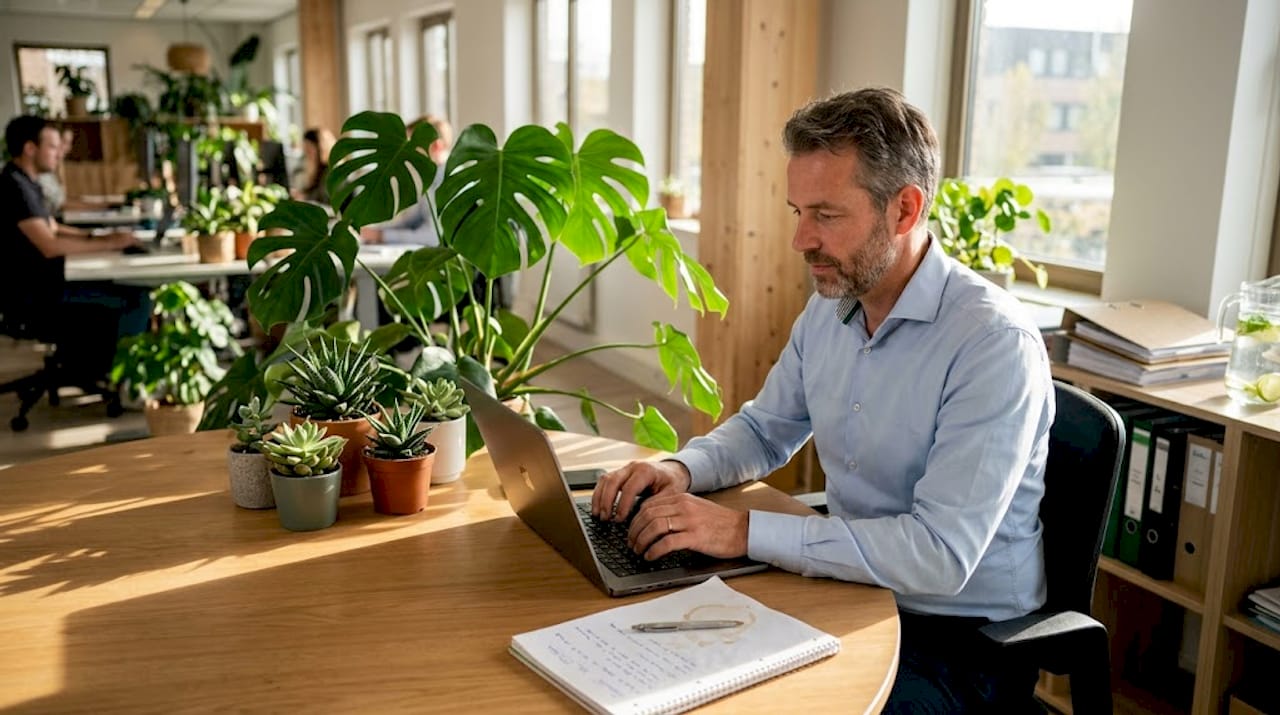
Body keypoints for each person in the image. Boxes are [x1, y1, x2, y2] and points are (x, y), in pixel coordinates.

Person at [590, 87, 1055, 713]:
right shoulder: (830, 308)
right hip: (849, 589)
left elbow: (939, 557)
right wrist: (679, 469)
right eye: (796, 211)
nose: (800, 240)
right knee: (657, 657)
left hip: (960, 638)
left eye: (826, 216)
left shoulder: (992, 344)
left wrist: (743, 531)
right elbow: (764, 430)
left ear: (905, 210)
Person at [2, 115, 149, 376]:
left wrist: (97, 237)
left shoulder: (25, 181)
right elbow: (50, 245)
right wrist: (111, 244)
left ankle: (95, 366)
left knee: (125, 287)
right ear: (30, 148)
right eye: (52, 147)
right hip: (35, 298)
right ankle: (125, 380)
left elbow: (52, 227)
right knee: (135, 298)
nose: (58, 154)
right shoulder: (15, 187)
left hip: (40, 285)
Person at [360, 114, 453, 246]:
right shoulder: (429, 177)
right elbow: (412, 221)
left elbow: (434, 237)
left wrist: (383, 236)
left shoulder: (449, 180)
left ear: (436, 146)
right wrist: (374, 231)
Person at [36, 127, 73, 218]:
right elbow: (61, 204)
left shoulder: (51, 171)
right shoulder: (40, 174)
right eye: (64, 142)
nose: (68, 148)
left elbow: (62, 198)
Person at [293, 127, 335, 204]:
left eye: (309, 149)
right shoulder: (309, 166)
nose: (307, 154)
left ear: (320, 148)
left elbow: (325, 199)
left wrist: (305, 198)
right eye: (305, 149)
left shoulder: (330, 171)